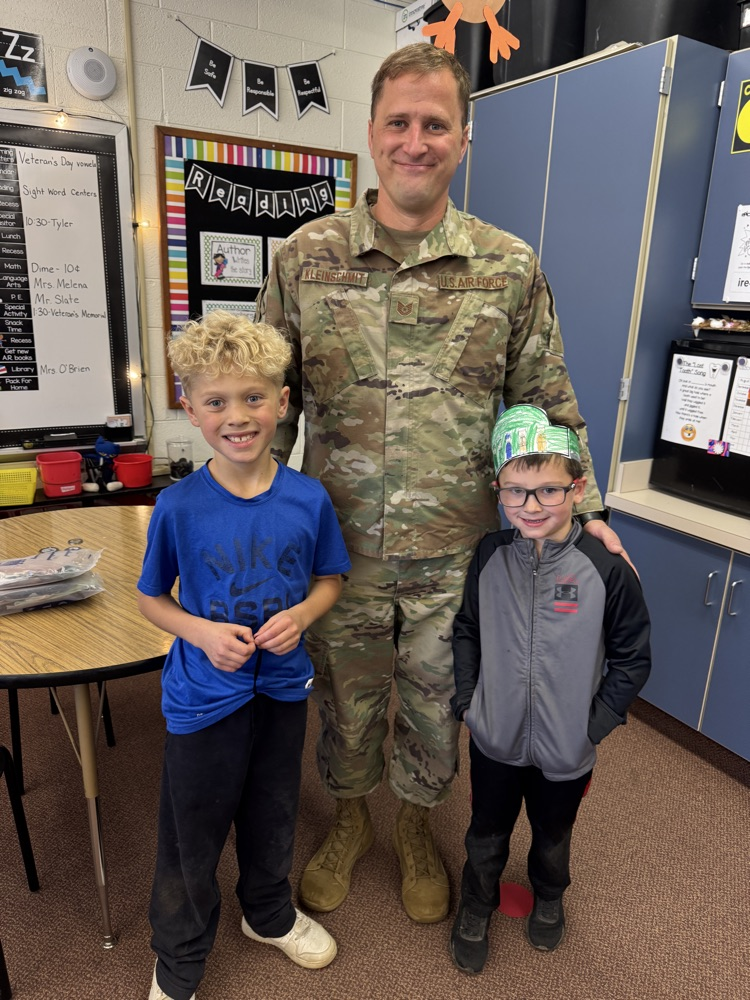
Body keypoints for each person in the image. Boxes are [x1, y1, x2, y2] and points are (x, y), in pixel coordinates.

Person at [257, 42, 626, 925]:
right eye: (399, 122)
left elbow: (545, 398)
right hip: (334, 549)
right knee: (345, 701)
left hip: (457, 554)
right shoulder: (307, 257)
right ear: (373, 132)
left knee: (437, 702)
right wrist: (225, 519)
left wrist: (592, 510)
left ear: (462, 138)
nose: (415, 140)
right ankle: (349, 822)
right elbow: (266, 405)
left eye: (435, 124)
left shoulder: (507, 266)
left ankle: (418, 829)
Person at [137, 311, 351, 1000]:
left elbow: (330, 581)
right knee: (190, 834)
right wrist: (198, 632)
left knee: (273, 809)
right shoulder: (178, 507)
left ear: (282, 402)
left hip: (283, 690)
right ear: (191, 409)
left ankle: (267, 912)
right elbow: (151, 600)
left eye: (254, 397)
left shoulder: (308, 499)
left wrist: (302, 615)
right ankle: (178, 958)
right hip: (203, 700)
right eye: (217, 400)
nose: (238, 415)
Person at [449, 404, 651, 973]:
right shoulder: (489, 555)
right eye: (515, 492)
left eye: (547, 491)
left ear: (577, 488)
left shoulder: (606, 568)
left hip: (568, 746)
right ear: (499, 490)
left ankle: (551, 895)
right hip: (494, 735)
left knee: (553, 832)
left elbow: (634, 656)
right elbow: (467, 629)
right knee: (486, 829)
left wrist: (595, 724)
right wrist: (469, 703)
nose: (530, 507)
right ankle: (477, 904)